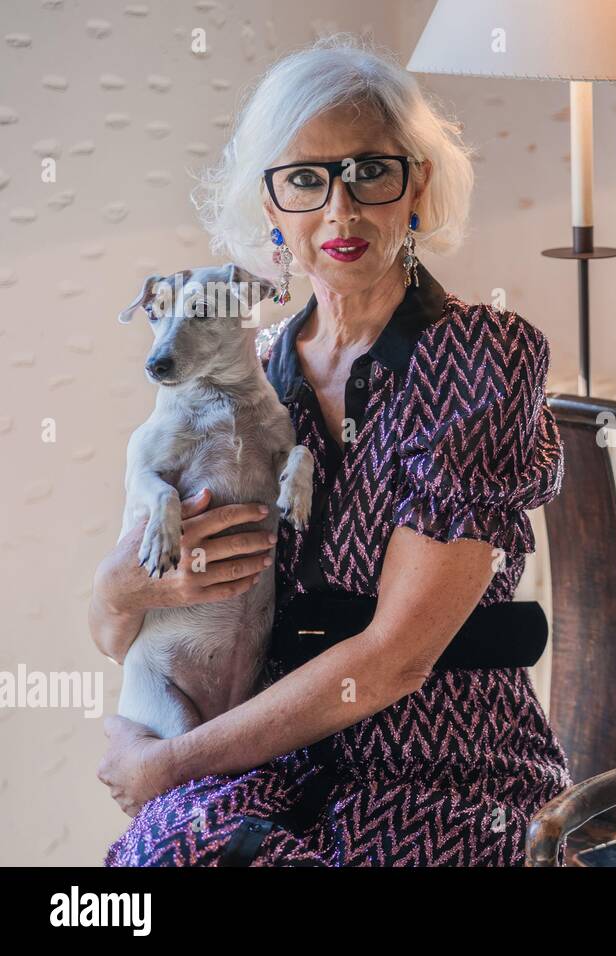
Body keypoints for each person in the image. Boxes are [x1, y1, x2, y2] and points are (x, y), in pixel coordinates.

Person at [89, 34, 571, 866]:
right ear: (271, 206)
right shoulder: (252, 367)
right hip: (270, 750)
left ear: (417, 185)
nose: (340, 211)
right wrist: (122, 584)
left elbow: (395, 661)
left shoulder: (482, 355)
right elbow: (112, 631)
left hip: (443, 761)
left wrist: (167, 765)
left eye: (370, 172)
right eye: (306, 180)